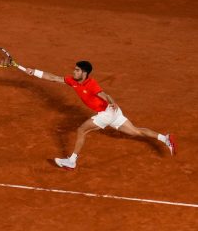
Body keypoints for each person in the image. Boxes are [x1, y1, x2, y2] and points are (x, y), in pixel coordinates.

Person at [24, 61, 176, 169]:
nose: (74, 72)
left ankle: (72, 160)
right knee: (136, 131)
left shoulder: (91, 84)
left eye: (77, 70)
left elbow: (104, 94)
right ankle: (165, 138)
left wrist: (112, 102)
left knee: (82, 130)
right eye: (74, 69)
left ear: (84, 73)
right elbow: (53, 78)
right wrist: (34, 72)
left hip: (107, 112)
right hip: (113, 112)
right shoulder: (73, 81)